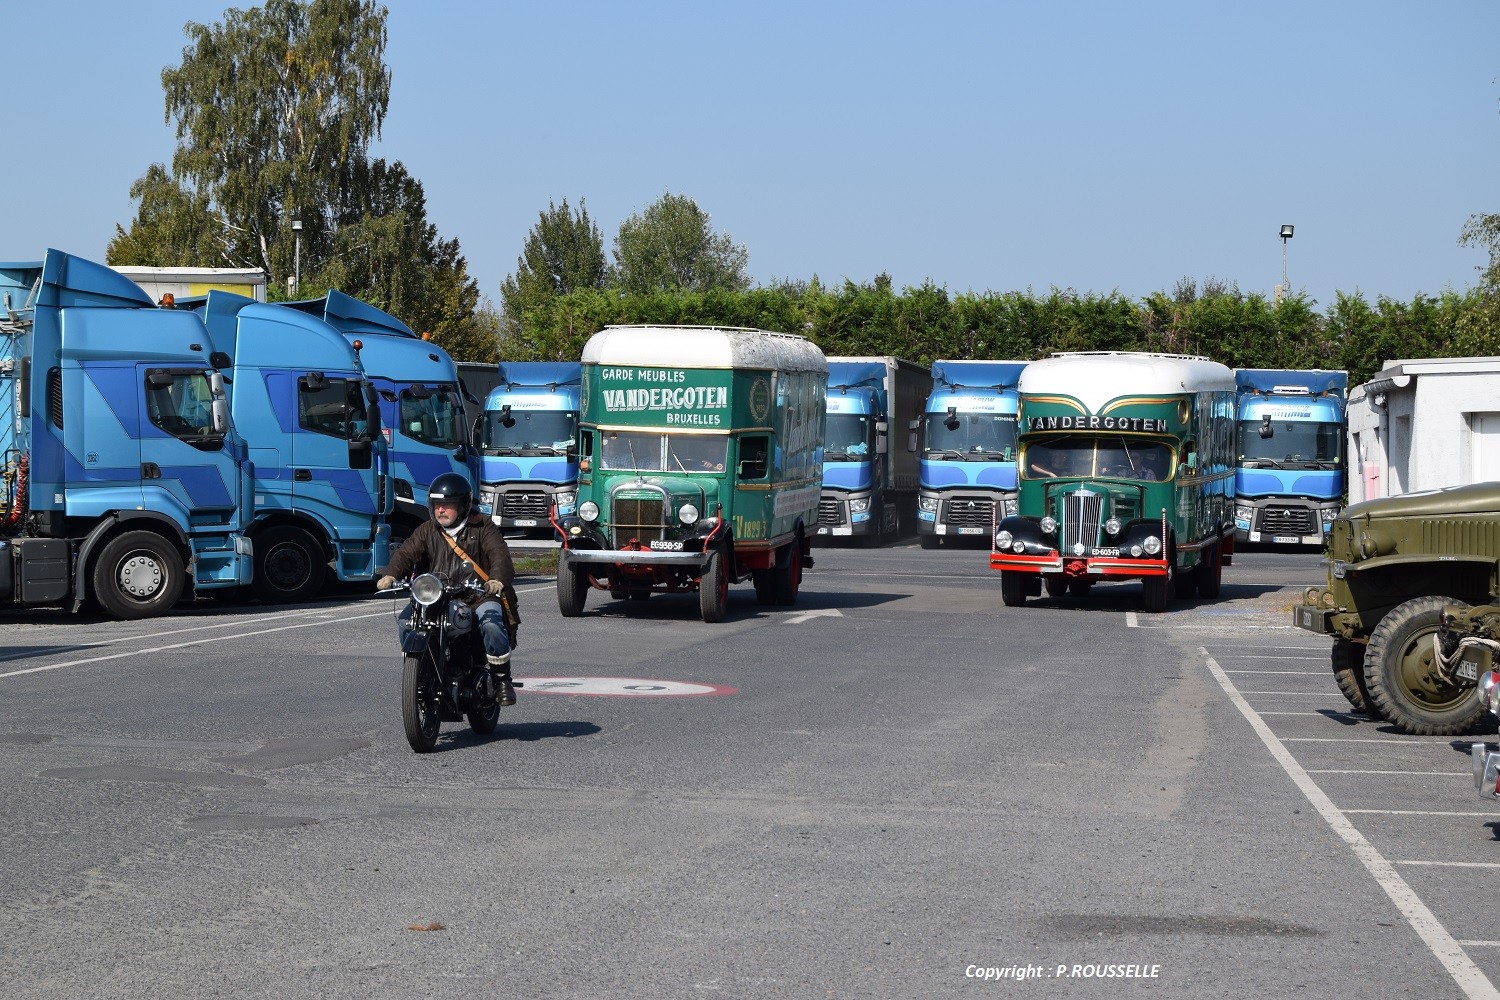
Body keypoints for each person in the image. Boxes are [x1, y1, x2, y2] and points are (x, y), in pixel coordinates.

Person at [376, 473, 518, 706]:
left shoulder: (482, 527)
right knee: (405, 621)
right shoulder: (427, 530)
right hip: (437, 596)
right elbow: (406, 553)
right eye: (437, 505)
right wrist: (391, 573)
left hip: (477, 595)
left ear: (462, 506)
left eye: (448, 505)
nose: (441, 510)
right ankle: (419, 672)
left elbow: (499, 555)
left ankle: (502, 681)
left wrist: (496, 580)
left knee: (491, 623)